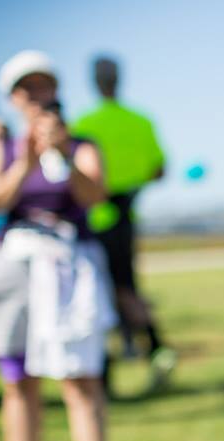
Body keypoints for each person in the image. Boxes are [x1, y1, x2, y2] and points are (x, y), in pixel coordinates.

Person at [0, 50, 118, 441]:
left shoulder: (81, 143)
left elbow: (95, 195)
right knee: (18, 379)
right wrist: (24, 163)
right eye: (26, 89)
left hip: (69, 266)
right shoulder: (5, 147)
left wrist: (58, 154)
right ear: (13, 98)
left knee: (79, 377)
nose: (36, 96)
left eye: (43, 86)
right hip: (17, 270)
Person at [71, 55, 175, 392]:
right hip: (126, 215)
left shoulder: (84, 123)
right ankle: (153, 347)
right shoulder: (140, 121)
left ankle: (109, 366)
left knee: (104, 291)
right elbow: (159, 169)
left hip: (95, 221)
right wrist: (131, 186)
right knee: (125, 286)